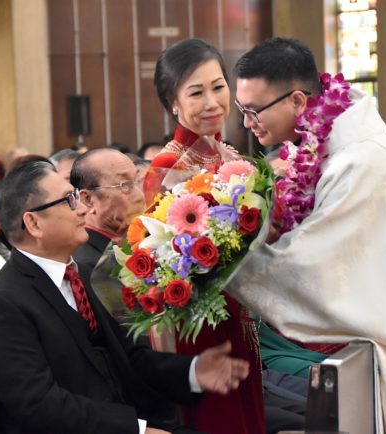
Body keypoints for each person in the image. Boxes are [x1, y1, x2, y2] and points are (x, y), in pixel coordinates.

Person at [229, 37, 386, 434]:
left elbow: (316, 273)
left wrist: (221, 265)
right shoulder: (337, 142)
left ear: (297, 101)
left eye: (252, 110)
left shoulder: (358, 162)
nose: (246, 122)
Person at [0, 161, 250, 434]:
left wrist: (192, 371)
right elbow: (39, 405)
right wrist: (137, 430)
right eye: (68, 201)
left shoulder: (86, 274)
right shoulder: (1, 303)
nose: (82, 209)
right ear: (33, 223)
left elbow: (131, 358)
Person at [147, 38, 265, 434]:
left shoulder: (227, 156)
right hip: (198, 325)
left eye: (218, 86)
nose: (212, 101)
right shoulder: (166, 166)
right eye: (196, 92)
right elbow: (160, 260)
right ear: (173, 103)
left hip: (236, 314)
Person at [71, 148, 145, 271]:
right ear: (88, 199)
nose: (139, 196)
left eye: (137, 181)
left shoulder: (134, 243)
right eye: (125, 185)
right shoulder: (87, 264)